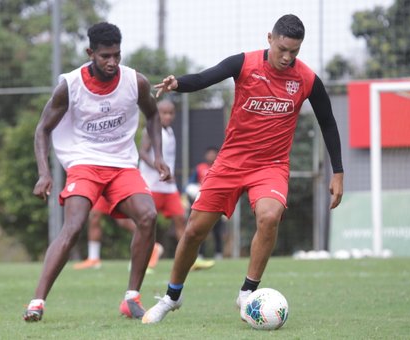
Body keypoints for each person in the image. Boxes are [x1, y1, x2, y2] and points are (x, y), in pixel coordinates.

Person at [142, 14, 344, 324]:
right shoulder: (245, 63)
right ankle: (172, 296)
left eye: (295, 51)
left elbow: (328, 122)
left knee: (270, 216)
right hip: (230, 163)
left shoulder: (306, 79)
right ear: (269, 39)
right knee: (195, 230)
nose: (287, 57)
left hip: (271, 166)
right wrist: (177, 83)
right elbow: (207, 77)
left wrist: (338, 172)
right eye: (282, 49)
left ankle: (248, 293)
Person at [23, 22, 170, 322]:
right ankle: (37, 301)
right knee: (74, 226)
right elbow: (42, 130)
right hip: (84, 162)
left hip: (121, 164)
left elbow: (153, 114)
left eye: (116, 55)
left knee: (148, 215)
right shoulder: (70, 85)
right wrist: (43, 172)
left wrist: (159, 156)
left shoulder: (135, 81)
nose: (112, 62)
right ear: (91, 52)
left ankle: (131, 298)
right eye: (105, 56)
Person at [137, 99, 194, 267]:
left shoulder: (169, 131)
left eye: (171, 113)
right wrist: (159, 169)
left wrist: (168, 173)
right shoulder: (151, 129)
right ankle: (144, 259)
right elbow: (142, 153)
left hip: (168, 186)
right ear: (157, 113)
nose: (168, 116)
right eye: (164, 113)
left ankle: (188, 259)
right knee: (146, 223)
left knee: (181, 219)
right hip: (151, 184)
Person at [72, 196, 163, 271]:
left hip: (114, 181)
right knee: (95, 215)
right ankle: (93, 258)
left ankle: (152, 246)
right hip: (101, 182)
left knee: (123, 221)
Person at [188, 147, 225, 263]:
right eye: (209, 154)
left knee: (217, 231)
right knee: (200, 229)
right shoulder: (200, 168)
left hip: (217, 203)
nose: (211, 156)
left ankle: (219, 253)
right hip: (203, 203)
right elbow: (189, 185)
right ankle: (200, 254)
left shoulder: (221, 168)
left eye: (214, 154)